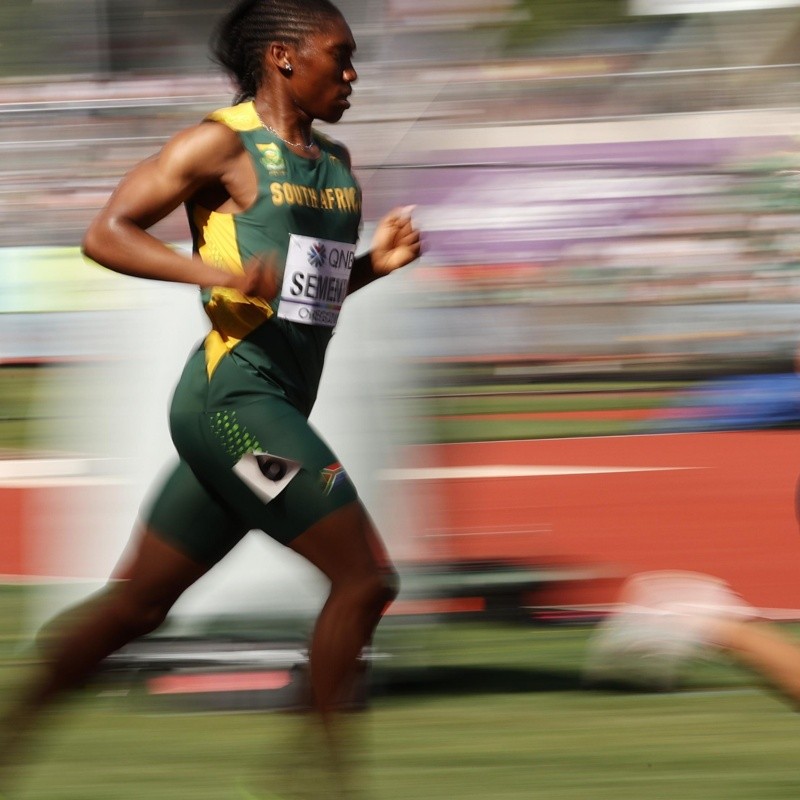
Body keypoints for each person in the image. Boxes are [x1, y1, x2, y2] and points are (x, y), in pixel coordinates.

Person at [1, 0, 420, 793]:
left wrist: (372, 267)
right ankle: (320, 785)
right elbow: (107, 233)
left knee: (135, 610)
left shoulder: (335, 164)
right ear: (284, 57)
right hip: (231, 403)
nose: (354, 73)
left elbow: (306, 301)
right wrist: (217, 275)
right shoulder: (220, 144)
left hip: (269, 410)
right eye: (341, 55)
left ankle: (9, 732)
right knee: (366, 580)